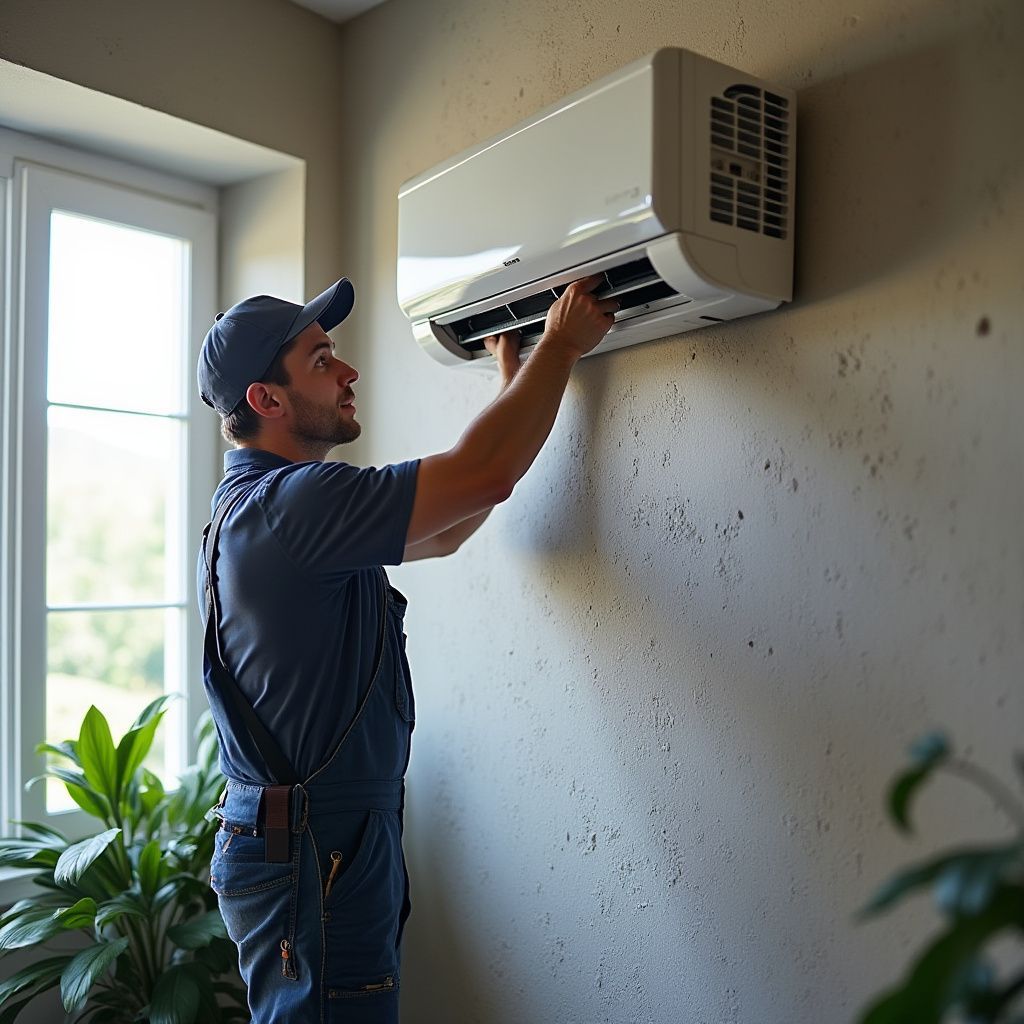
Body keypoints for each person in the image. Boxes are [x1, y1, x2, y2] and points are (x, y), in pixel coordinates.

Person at [195, 272, 617, 1023]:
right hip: (317, 845)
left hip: (320, 839)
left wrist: (519, 390)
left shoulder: (267, 509)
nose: (348, 370)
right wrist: (559, 347)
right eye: (322, 360)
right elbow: (481, 477)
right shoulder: (295, 505)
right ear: (266, 400)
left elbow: (449, 526)